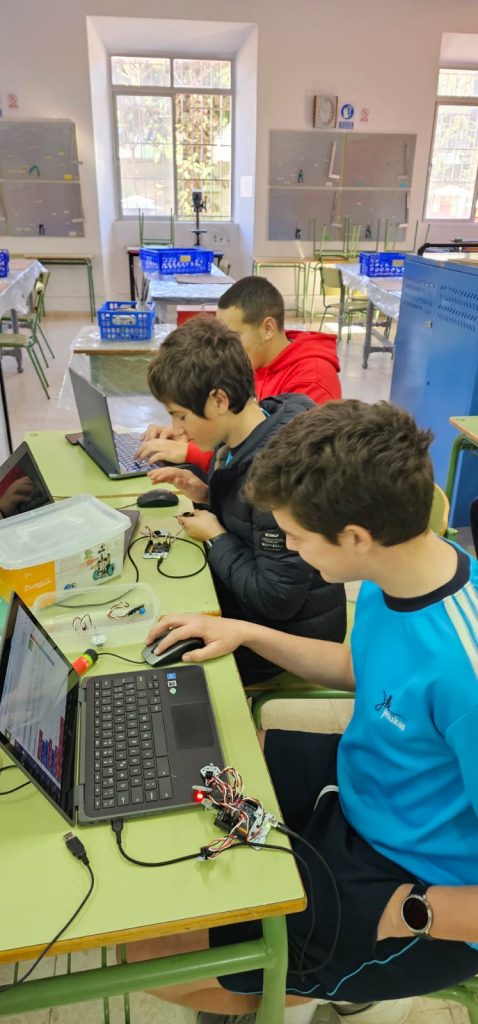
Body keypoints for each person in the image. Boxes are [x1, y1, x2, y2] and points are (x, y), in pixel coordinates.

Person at [128, 400, 478, 1024]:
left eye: (295, 536)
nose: (286, 546)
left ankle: (332, 985)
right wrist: (243, 631)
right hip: (365, 789)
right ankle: (286, 973)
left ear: (355, 537)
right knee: (199, 768)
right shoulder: (401, 570)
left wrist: (411, 912)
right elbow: (360, 668)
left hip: (414, 883)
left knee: (152, 955)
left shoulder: (466, 672)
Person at [144, 315, 346, 683]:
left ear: (219, 400)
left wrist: (215, 536)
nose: (177, 431)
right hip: (259, 608)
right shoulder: (247, 431)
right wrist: (207, 495)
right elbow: (250, 522)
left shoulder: (279, 475)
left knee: (163, 667)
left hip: (289, 638)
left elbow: (275, 599)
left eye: (180, 415)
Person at [134, 275, 341, 475]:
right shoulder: (254, 360)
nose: (222, 344)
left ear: (268, 328)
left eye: (232, 335)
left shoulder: (312, 378)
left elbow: (282, 467)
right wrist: (188, 432)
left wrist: (190, 452)